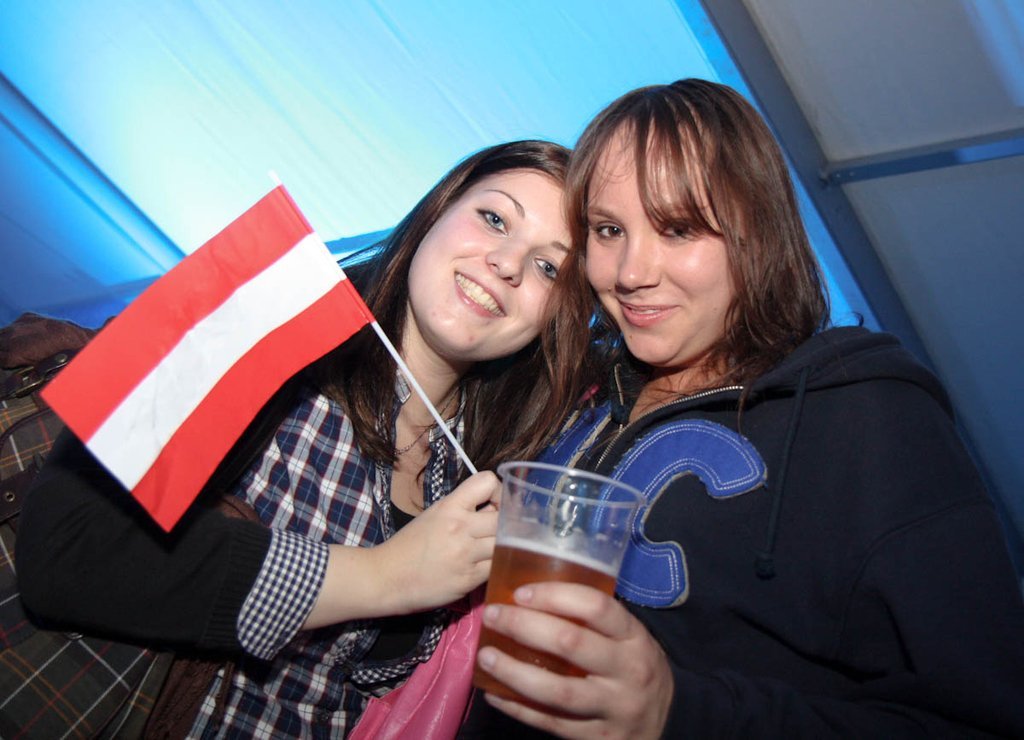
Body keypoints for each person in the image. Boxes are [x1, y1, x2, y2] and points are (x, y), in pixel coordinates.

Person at [468, 80, 1024, 738]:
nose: (631, 272)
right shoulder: (574, 386)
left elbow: (982, 721)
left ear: (755, 231)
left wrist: (678, 712)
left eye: (678, 229)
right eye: (609, 230)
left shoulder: (869, 420)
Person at [17, 139, 589, 736]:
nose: (507, 263)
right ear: (436, 212)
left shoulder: (485, 476)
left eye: (549, 267)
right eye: (494, 218)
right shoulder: (262, 330)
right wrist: (382, 577)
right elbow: (66, 547)